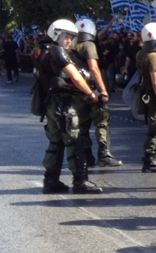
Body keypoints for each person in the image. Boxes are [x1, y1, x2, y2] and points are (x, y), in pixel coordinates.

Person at [40, 19, 103, 194]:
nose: (69, 40)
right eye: (66, 36)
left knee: (57, 142)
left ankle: (51, 179)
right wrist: (91, 94)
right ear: (55, 34)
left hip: (53, 104)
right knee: (75, 141)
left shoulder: (46, 52)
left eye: (71, 37)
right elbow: (75, 77)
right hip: (64, 105)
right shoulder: (58, 52)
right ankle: (80, 180)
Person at [73, 18, 122, 167]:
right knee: (102, 120)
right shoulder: (89, 45)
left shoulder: (72, 46)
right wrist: (103, 90)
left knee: (83, 124)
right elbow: (93, 68)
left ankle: (86, 155)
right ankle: (103, 153)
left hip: (77, 88)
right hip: (92, 87)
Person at [136, 22, 156, 173]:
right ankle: (150, 158)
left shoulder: (141, 53)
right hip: (154, 95)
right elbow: (155, 81)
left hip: (145, 93)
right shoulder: (153, 56)